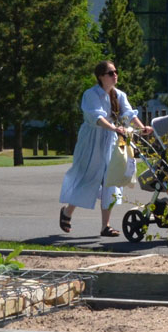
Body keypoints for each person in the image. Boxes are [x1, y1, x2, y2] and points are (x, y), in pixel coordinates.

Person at [58, 61, 153, 237]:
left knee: (110, 179)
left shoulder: (119, 95)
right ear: (101, 76)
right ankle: (67, 212)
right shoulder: (91, 94)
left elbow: (129, 114)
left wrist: (142, 128)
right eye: (110, 73)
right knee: (89, 178)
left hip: (112, 141)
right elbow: (96, 117)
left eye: (116, 72)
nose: (115, 75)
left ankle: (105, 226)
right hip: (92, 140)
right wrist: (113, 128)